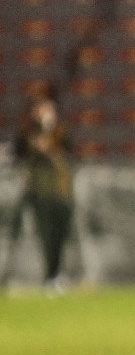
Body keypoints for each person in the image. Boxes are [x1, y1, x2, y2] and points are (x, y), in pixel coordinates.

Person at [8, 93, 75, 295]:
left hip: (61, 192)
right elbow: (20, 152)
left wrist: (49, 135)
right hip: (40, 193)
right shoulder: (29, 133)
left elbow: (67, 149)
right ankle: (47, 277)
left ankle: (57, 274)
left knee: (60, 236)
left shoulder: (59, 130)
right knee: (45, 236)